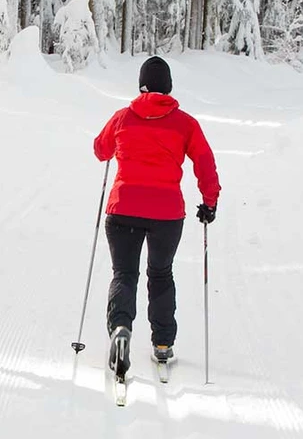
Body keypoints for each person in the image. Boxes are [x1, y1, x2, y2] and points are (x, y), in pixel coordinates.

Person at [92, 56, 220, 377]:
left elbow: (100, 149)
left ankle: (121, 328)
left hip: (123, 210)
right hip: (166, 214)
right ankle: (162, 344)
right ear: (169, 88)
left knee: (124, 274)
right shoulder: (185, 123)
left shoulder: (123, 118)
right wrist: (209, 202)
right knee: (160, 274)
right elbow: (204, 161)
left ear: (141, 86)